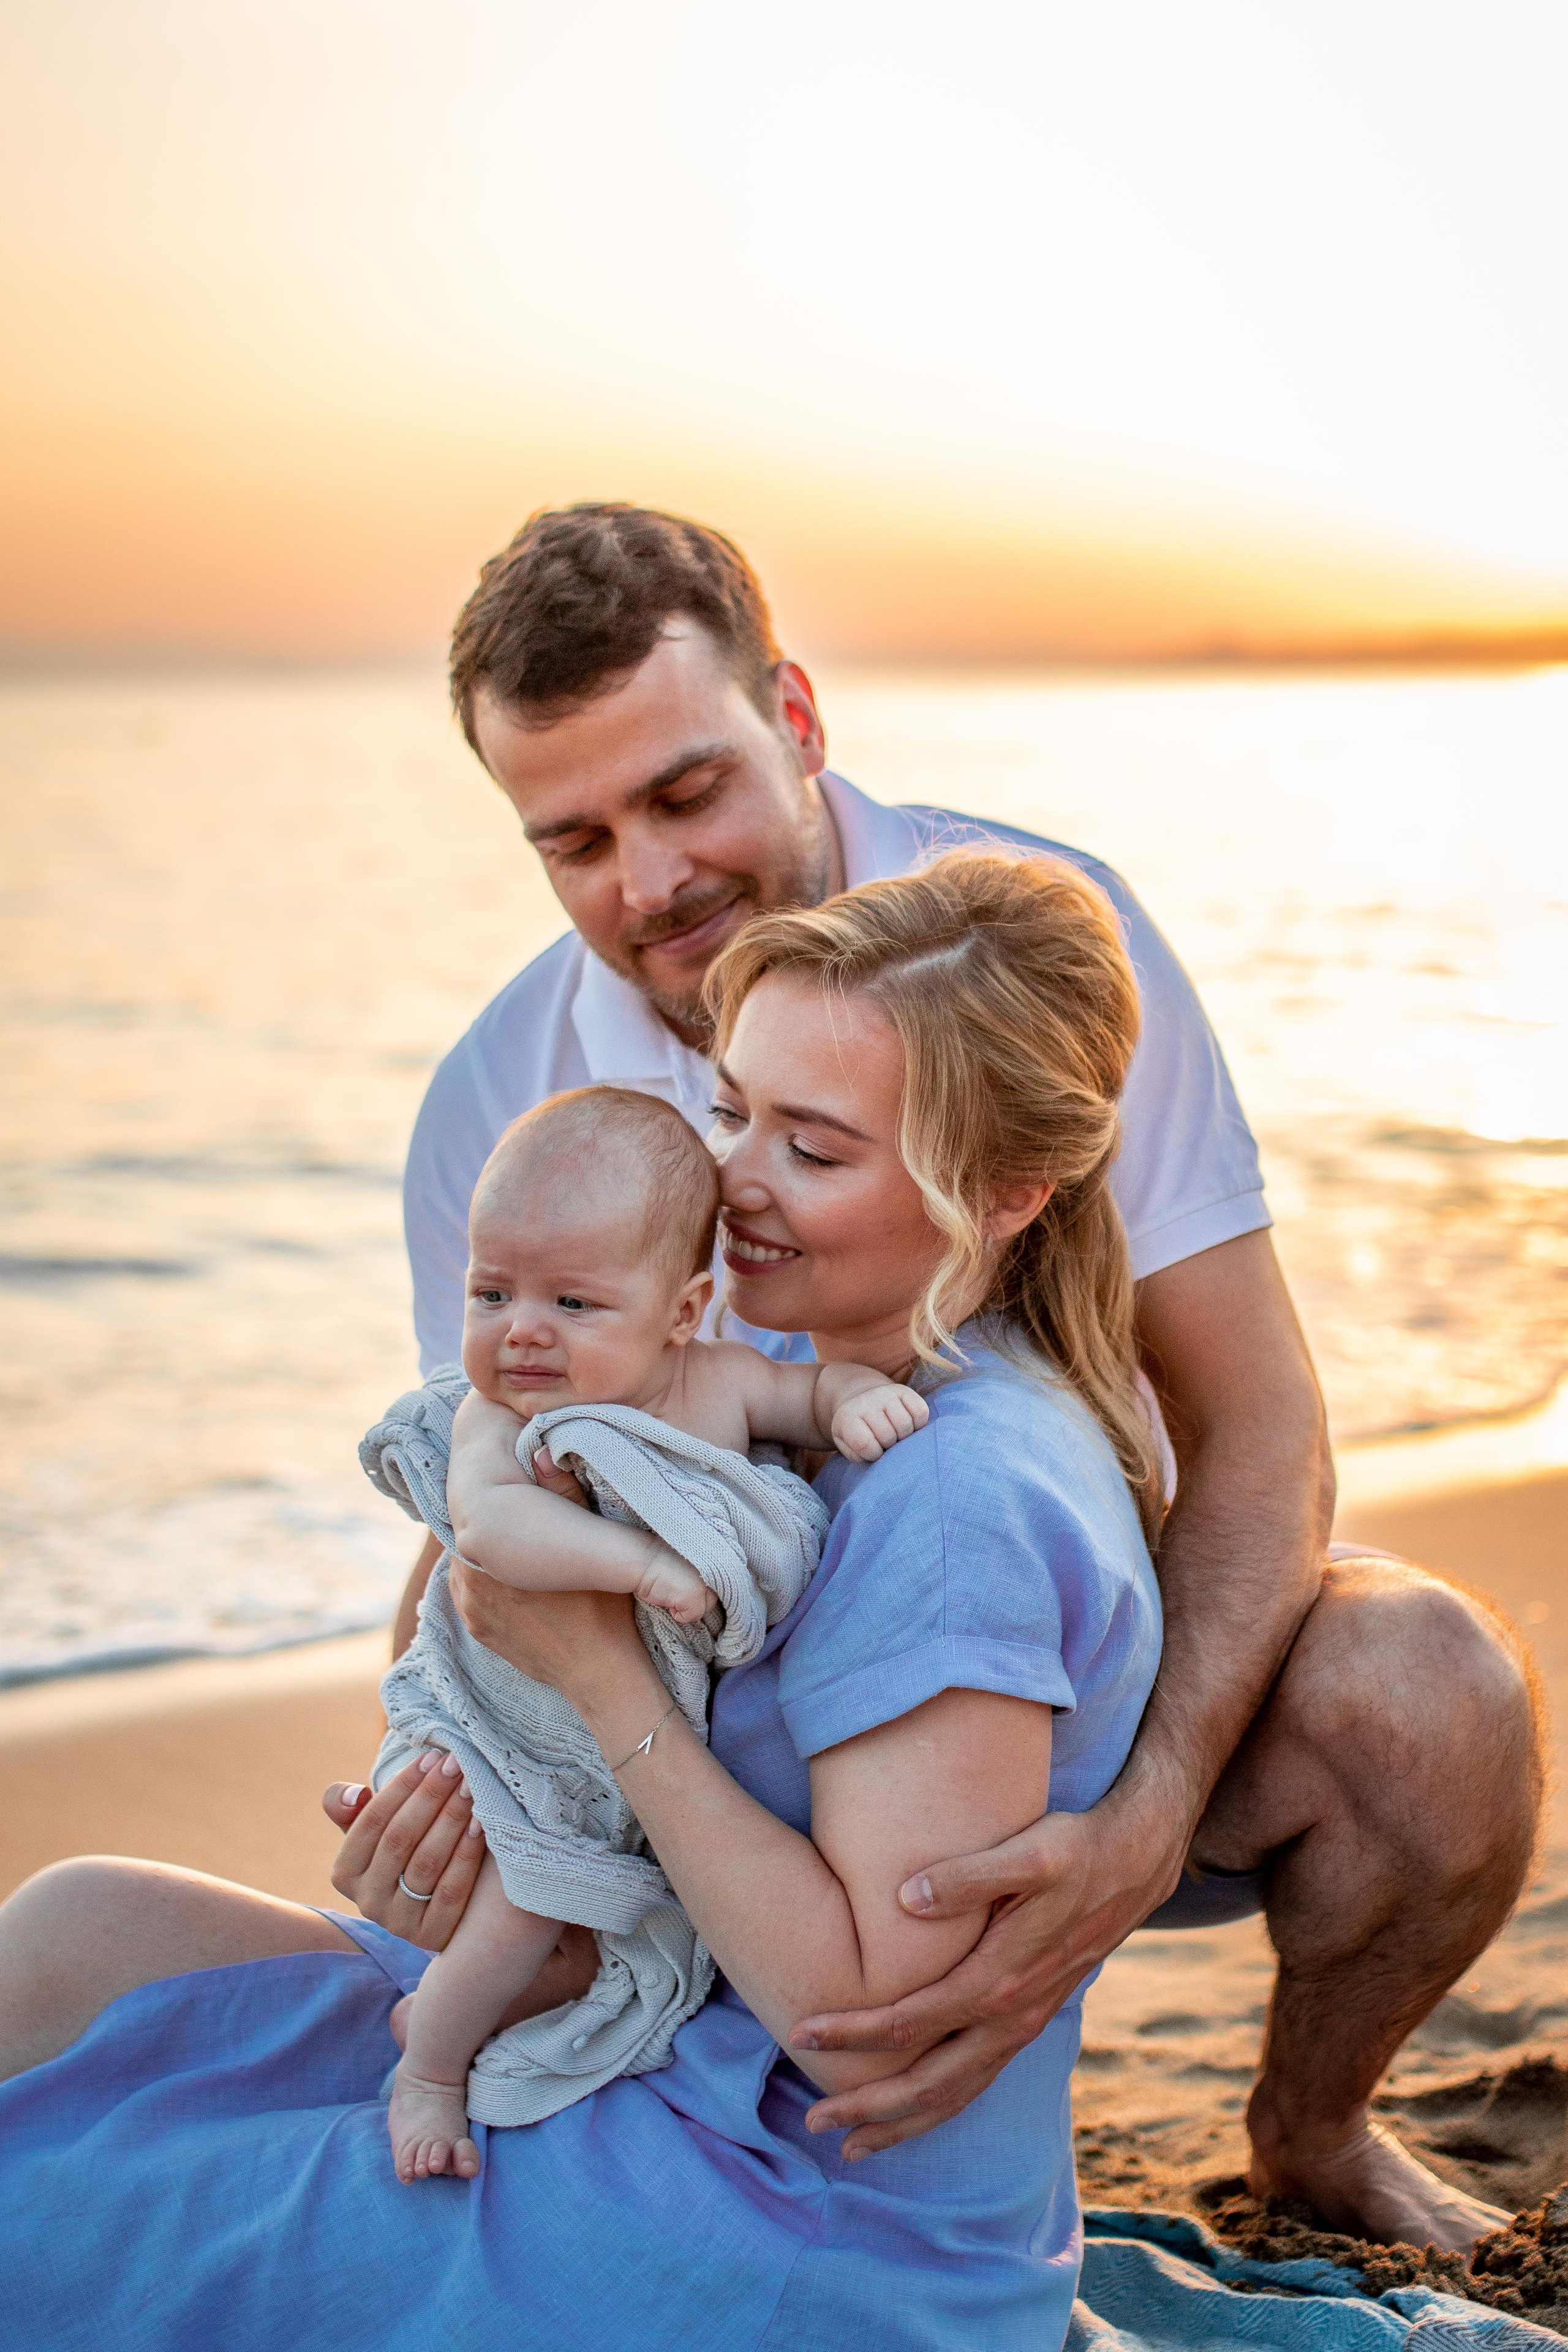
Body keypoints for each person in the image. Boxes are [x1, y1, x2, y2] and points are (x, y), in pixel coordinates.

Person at [341, 503, 1540, 2252]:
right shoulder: (503, 1100)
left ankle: (1309, 2129)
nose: (648, 881)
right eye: (574, 839)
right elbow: (492, 1484)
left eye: (687, 794)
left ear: (800, 719)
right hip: (740, 1737)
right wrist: (441, 1787)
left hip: (1066, 1688)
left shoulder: (1043, 946)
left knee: (1434, 1700)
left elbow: (1257, 1416)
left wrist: (1139, 1821)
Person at [0, 850, 1164, 2351]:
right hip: (648, 2034)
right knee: (76, 1930)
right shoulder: (805, 1395)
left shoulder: (956, 1503)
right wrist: (483, 1831)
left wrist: (600, 1678)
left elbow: (861, 2020)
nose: (736, 1180)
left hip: (789, 2221)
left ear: (1008, 1190)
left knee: (53, 2211)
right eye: (734, 1110)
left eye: (812, 1150)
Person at [377, 1083, 927, 2183]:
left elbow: (808, 1396)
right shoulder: (502, 1419)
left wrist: (857, 1399)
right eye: (492, 1292)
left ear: (680, 1313)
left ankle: (505, 2011)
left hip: (624, 1737)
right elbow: (491, 1527)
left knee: (574, 1915)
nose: (522, 1330)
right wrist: (644, 1565)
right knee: (523, 1903)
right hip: (508, 1728)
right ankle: (429, 2066)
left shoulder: (720, 1385)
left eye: (574, 1304)